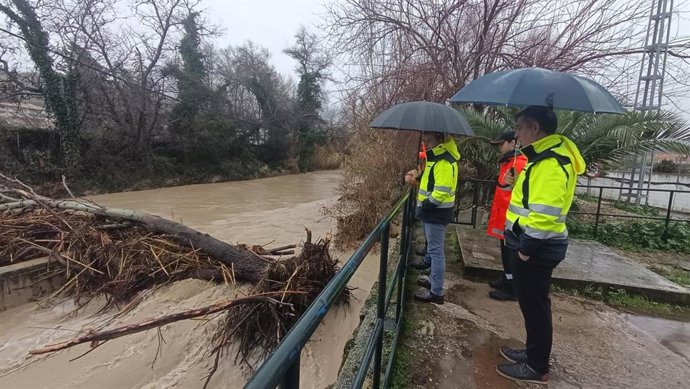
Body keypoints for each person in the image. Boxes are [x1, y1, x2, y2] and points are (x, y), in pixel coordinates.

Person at [496, 106, 585, 385]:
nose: (517, 134)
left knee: (535, 307)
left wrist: (525, 248)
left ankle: (536, 367)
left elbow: (544, 212)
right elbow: (531, 200)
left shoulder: (550, 161)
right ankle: (532, 354)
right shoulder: (542, 158)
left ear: (534, 127)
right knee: (532, 305)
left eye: (520, 128)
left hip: (535, 249)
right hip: (532, 246)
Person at [405, 131, 460, 305]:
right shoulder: (438, 157)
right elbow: (431, 182)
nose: (426, 144)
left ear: (440, 139)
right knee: (435, 250)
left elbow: (441, 190)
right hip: (435, 211)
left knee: (436, 252)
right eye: (424, 140)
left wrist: (427, 203)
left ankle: (436, 292)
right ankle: (433, 283)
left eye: (429, 141)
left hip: (436, 212)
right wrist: (418, 177)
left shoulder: (443, 160)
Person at [486, 130, 527, 301]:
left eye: (501, 144)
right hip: (504, 215)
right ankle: (507, 278)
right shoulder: (508, 163)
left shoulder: (518, 164)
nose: (499, 149)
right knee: (505, 251)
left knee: (510, 253)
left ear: (512, 143)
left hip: (511, 217)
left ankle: (512, 288)